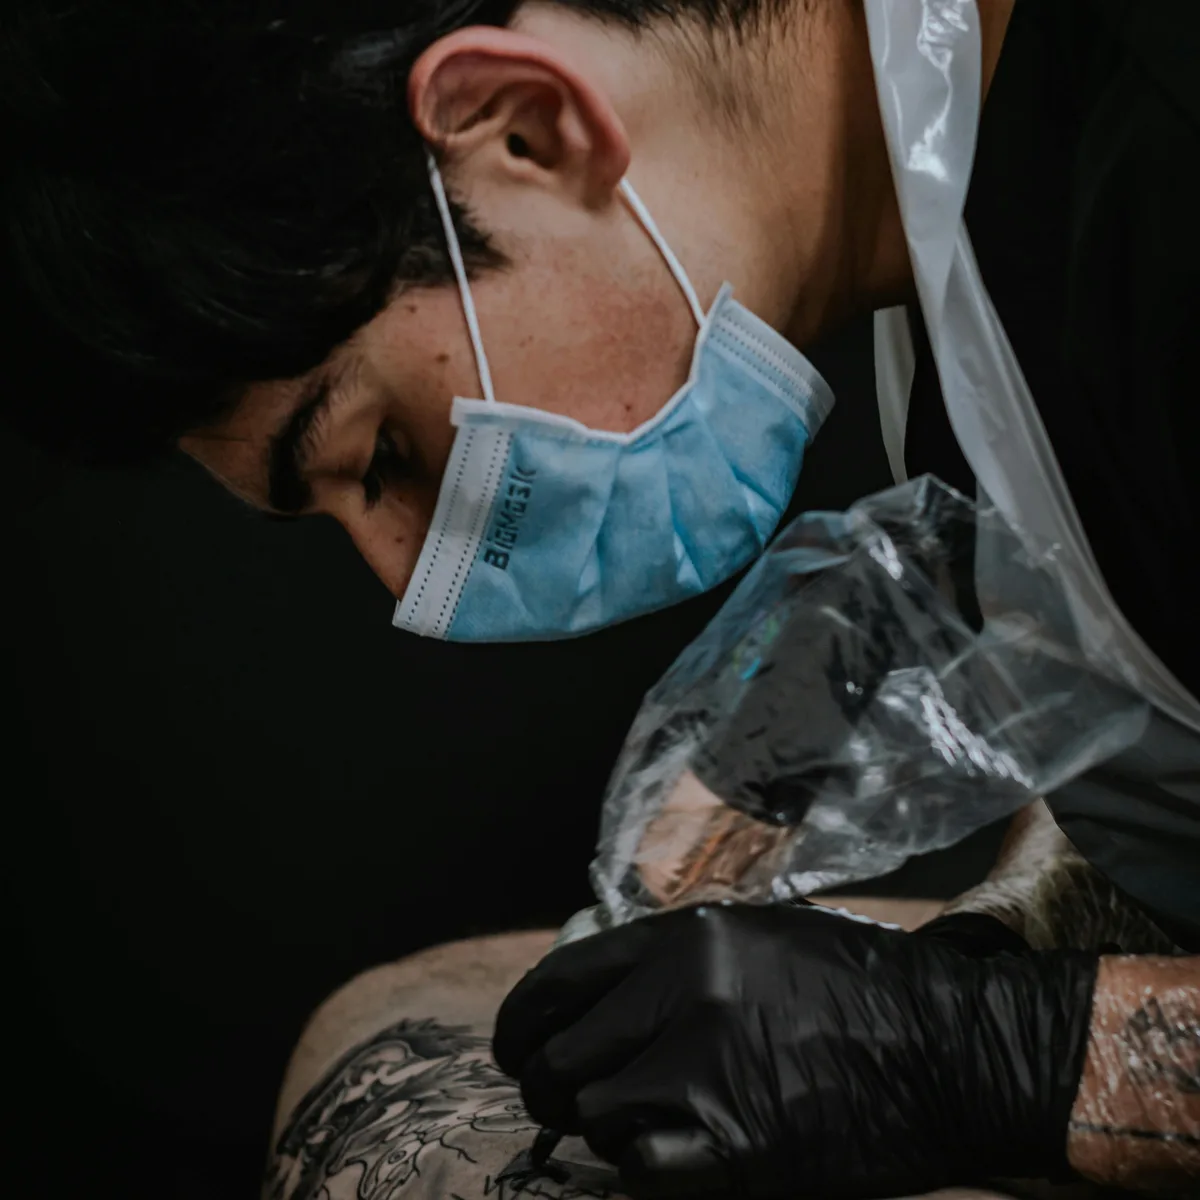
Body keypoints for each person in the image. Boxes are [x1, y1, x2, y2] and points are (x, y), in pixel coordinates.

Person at [4, 0, 1200, 1195]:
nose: (403, 576)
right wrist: (1017, 925)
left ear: (525, 129)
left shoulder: (1162, 147)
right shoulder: (966, 188)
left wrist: (992, 1054)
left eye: (382, 457)